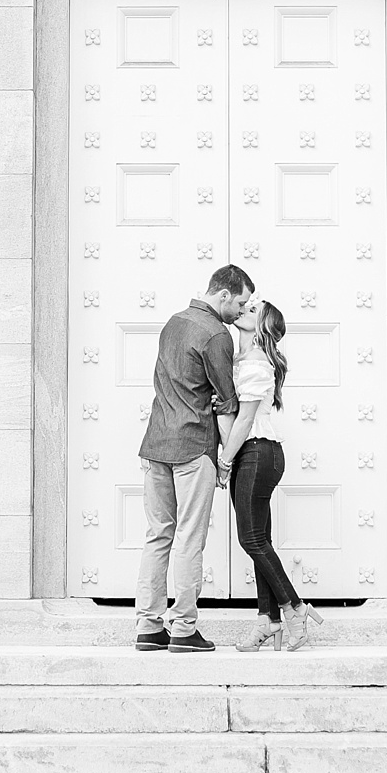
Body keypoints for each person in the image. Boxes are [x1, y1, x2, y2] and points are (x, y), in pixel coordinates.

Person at [134, 265, 254, 653]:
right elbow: (225, 400)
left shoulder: (173, 322)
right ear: (223, 295)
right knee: (189, 538)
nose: (240, 311)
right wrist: (225, 457)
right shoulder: (216, 333)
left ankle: (148, 627)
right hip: (192, 447)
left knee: (157, 537)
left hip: (155, 445)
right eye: (240, 303)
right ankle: (184, 628)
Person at [217, 296, 325, 652]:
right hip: (256, 452)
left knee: (251, 539)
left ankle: (295, 608)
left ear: (261, 327)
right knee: (259, 539)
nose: (244, 309)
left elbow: (245, 419)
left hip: (257, 453)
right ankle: (268, 621)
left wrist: (225, 461)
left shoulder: (256, 364)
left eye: (252, 310)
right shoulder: (242, 359)